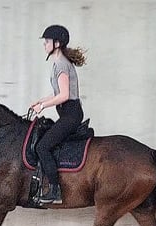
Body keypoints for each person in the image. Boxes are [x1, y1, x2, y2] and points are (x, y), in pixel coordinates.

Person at [31, 25, 87, 204]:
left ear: (56, 43)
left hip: (70, 115)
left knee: (42, 147)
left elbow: (64, 96)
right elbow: (57, 93)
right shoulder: (58, 63)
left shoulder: (61, 64)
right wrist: (40, 101)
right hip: (67, 113)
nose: (44, 45)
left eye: (46, 41)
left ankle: (54, 190)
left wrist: (44, 106)